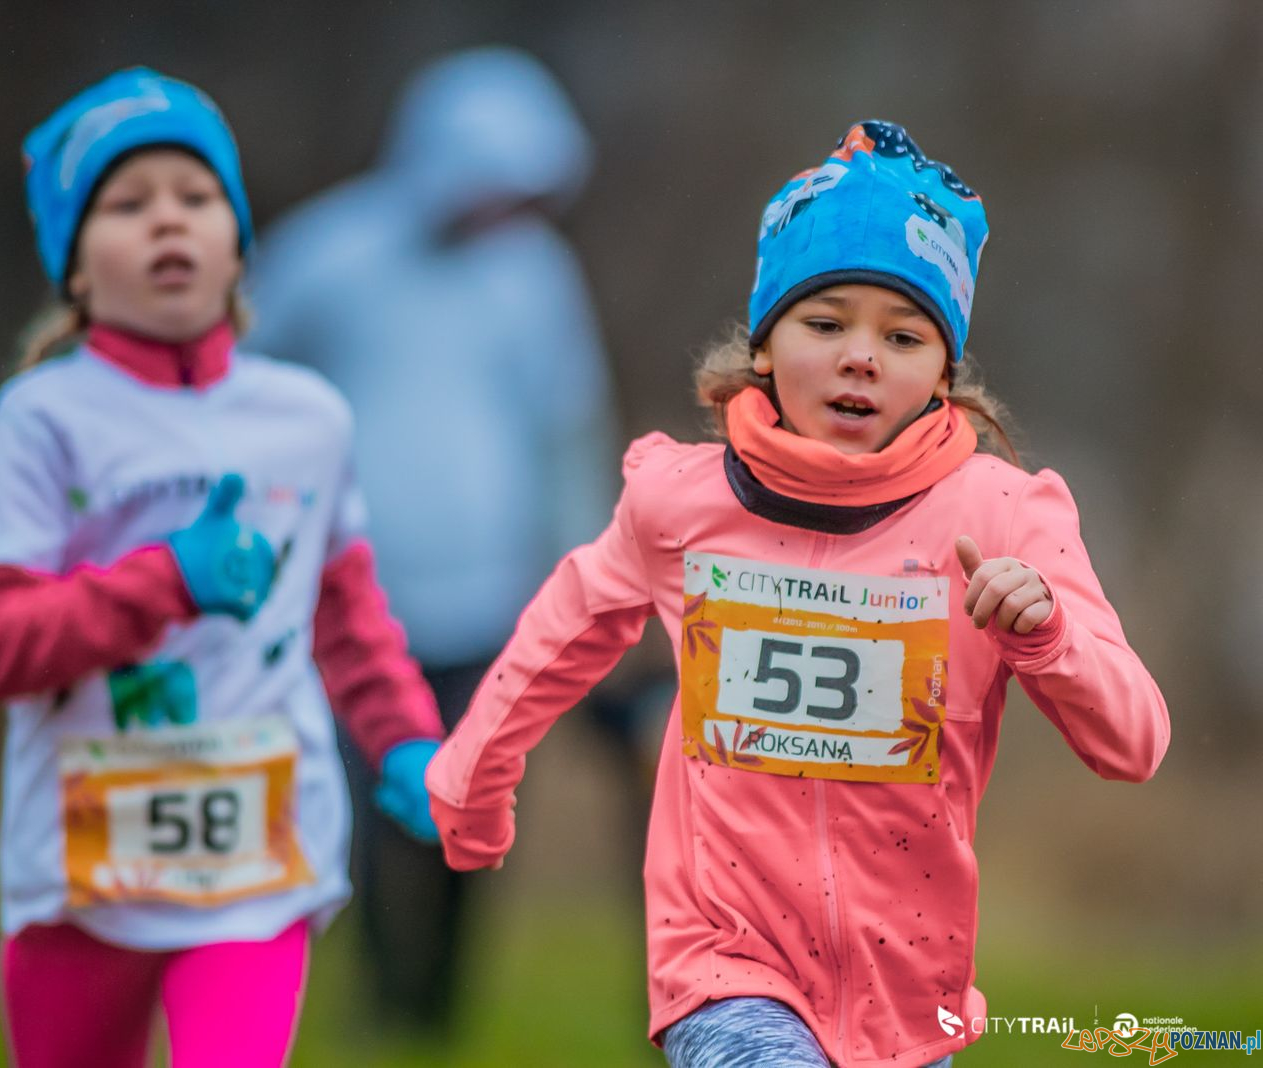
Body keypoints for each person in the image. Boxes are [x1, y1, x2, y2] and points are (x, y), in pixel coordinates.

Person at [425, 120, 1170, 1068]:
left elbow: (1135, 741)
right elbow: (564, 627)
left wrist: (1047, 636)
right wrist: (472, 781)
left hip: (910, 994)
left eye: (903, 335)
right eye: (826, 323)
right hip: (721, 962)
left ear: (945, 372)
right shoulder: (680, 505)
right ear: (765, 346)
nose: (862, 356)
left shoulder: (1002, 518)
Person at [0, 67, 443, 1067]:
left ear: (237, 243)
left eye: (196, 197)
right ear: (75, 265)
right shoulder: (41, 423)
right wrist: (164, 582)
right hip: (80, 872)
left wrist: (405, 742)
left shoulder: (307, 419)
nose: (167, 223)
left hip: (256, 864)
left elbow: (348, 615)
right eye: (127, 204)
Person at [244, 46, 627, 1036]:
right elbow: (239, 373)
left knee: (476, 800)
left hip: (491, 592)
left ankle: (439, 1007)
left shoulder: (535, 277)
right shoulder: (330, 255)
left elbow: (564, 424)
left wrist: (587, 568)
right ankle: (381, 996)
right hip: (357, 589)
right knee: (380, 791)